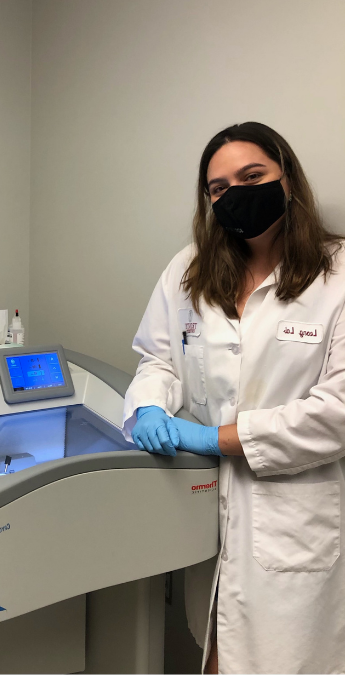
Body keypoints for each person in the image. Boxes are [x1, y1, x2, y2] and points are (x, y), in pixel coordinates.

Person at [124, 121, 345, 673]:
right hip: (204, 508)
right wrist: (150, 403)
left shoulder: (337, 274)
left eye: (253, 176)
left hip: (294, 520)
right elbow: (158, 358)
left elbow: (338, 412)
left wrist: (219, 438)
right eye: (219, 188)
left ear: (287, 178)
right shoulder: (189, 266)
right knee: (216, 652)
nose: (235, 194)